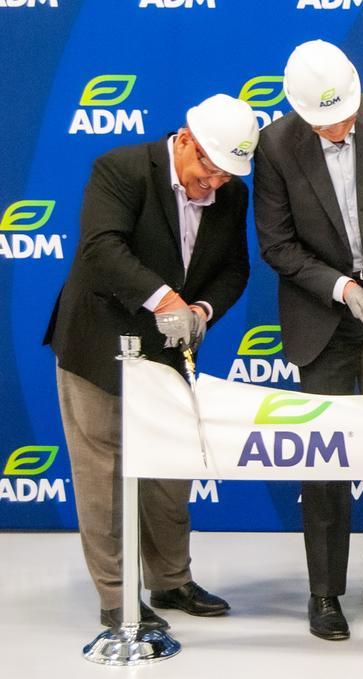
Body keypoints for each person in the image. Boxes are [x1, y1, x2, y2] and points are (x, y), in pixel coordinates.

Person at [44, 93, 258, 630]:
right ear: (185, 139)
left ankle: (170, 580)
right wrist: (165, 299)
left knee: (170, 472)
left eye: (226, 178)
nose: (212, 186)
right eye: (206, 171)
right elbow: (101, 249)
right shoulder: (120, 169)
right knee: (104, 473)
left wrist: (202, 310)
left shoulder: (232, 197)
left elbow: (234, 271)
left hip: (168, 352)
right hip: (96, 344)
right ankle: (116, 597)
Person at [253, 40, 363, 641]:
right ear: (301, 114)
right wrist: (336, 286)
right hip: (321, 319)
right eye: (326, 122)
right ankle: (324, 590)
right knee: (323, 459)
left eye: (346, 117)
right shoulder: (276, 146)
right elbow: (277, 245)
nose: (339, 129)